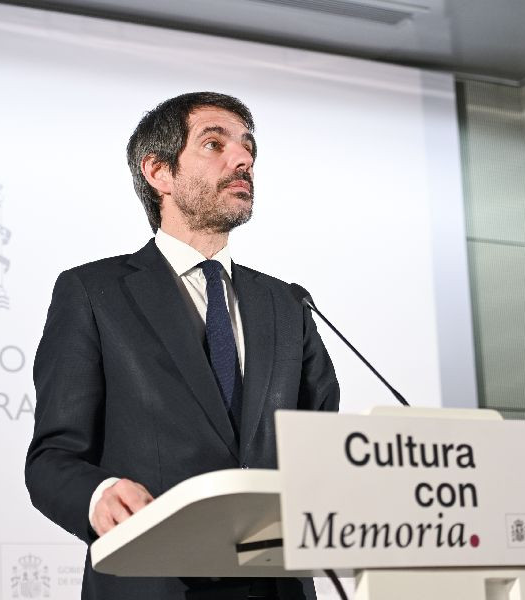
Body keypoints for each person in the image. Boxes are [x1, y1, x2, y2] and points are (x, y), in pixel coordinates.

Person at [25, 92, 340, 600]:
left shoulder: (286, 303)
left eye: (248, 147)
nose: (243, 159)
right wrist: (99, 495)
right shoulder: (93, 293)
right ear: (159, 172)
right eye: (215, 144)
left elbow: (323, 446)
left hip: (278, 585)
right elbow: (52, 459)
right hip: (156, 582)